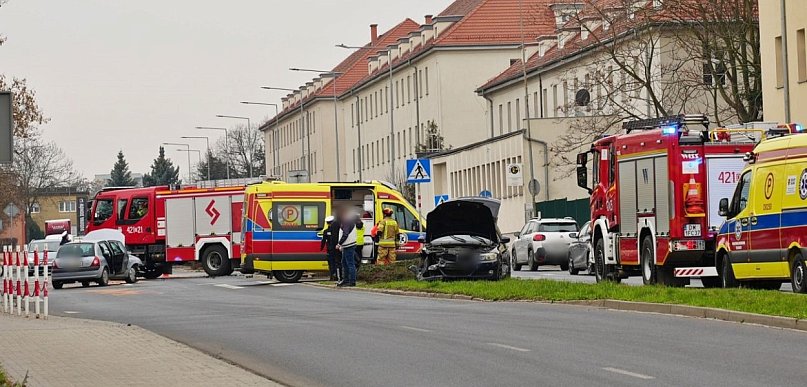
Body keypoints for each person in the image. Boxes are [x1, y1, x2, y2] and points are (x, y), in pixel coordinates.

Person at [336, 209, 358, 287]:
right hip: (347, 245)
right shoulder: (349, 222)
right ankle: (346, 280)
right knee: (345, 263)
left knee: (349, 263)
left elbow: (345, 234)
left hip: (349, 245)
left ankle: (351, 281)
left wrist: (339, 244)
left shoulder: (347, 222)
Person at [320, 215, 341, 281]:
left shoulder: (326, 231)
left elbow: (323, 240)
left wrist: (321, 248)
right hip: (337, 248)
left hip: (330, 249)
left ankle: (332, 276)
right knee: (337, 262)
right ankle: (338, 276)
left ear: (327, 223)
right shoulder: (338, 230)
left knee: (331, 263)